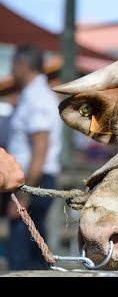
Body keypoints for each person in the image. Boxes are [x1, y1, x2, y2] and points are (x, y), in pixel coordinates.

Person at [5, 45, 63, 270]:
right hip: (32, 178)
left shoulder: (36, 98)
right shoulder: (35, 95)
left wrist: (23, 195)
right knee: (35, 247)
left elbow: (40, 149)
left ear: (22, 65)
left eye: (13, 65)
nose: (11, 71)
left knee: (21, 253)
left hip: (32, 180)